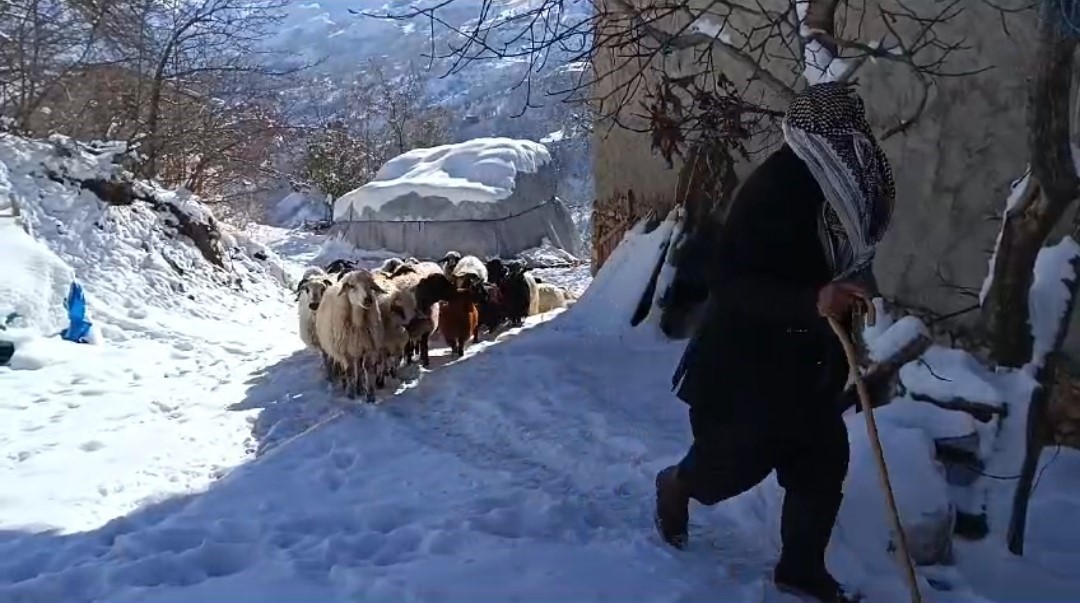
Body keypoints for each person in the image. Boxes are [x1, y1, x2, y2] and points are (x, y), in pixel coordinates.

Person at [655, 82, 895, 603]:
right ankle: (676, 484)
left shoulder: (840, 187)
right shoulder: (774, 187)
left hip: (807, 366)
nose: (853, 140)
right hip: (745, 368)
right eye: (841, 129)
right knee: (728, 471)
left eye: (853, 127)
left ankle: (801, 569)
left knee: (823, 462)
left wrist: (846, 294)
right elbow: (731, 282)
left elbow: (839, 258)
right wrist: (813, 299)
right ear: (813, 132)